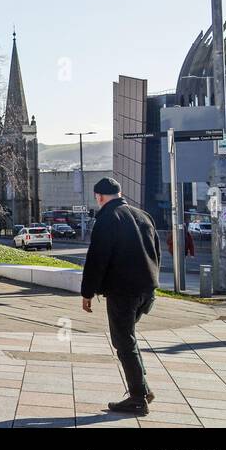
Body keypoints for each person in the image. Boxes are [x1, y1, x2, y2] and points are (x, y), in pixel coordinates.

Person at [80, 176, 160, 415]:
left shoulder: (107, 218)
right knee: (128, 338)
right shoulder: (143, 215)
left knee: (123, 341)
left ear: (100, 197)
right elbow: (156, 253)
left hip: (123, 291)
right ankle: (143, 389)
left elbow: (97, 259)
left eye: (97, 198)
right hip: (147, 290)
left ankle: (137, 397)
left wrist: (87, 292)